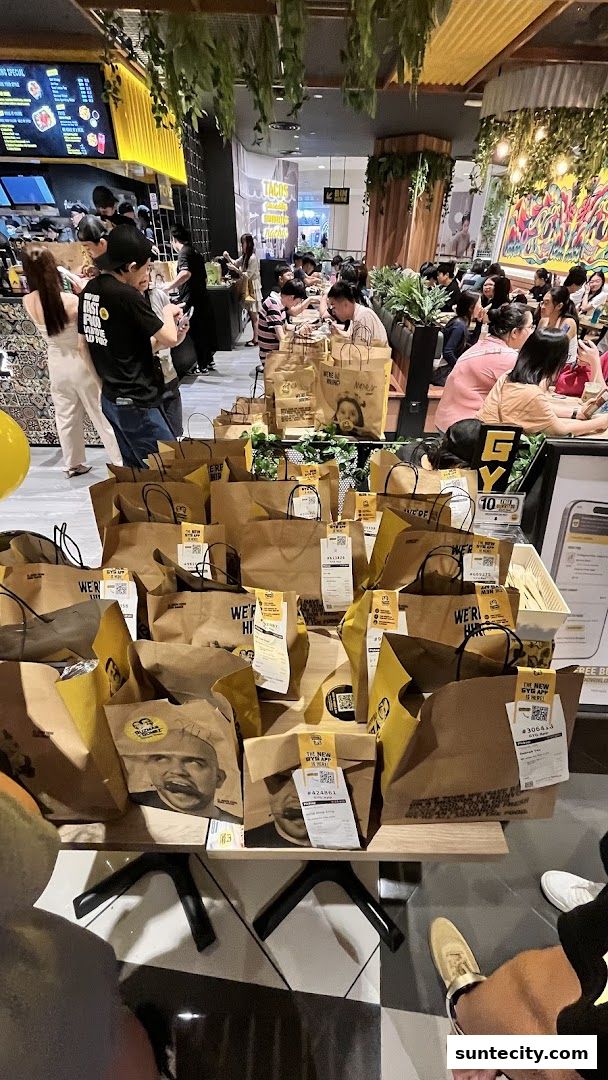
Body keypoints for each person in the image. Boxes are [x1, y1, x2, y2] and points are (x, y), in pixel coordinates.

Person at [77, 225, 186, 468]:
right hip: (137, 402)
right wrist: (168, 311)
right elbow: (167, 337)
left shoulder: (90, 291)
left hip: (112, 400)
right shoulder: (126, 295)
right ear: (130, 267)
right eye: (146, 267)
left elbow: (84, 346)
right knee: (170, 468)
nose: (147, 273)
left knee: (136, 470)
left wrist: (104, 387)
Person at [21, 244, 122, 476]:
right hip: (81, 362)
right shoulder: (70, 301)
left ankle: (73, 463)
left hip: (56, 364)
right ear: (51, 267)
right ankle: (119, 461)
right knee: (100, 413)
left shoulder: (28, 301)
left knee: (65, 416)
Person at [478, 326, 608, 436]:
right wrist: (600, 422)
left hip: (483, 438)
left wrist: (576, 413)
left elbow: (539, 408)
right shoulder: (531, 393)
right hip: (495, 453)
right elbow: (561, 431)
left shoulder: (508, 377)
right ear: (555, 361)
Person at [435, 303, 534, 430]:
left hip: (446, 420)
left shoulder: (485, 344)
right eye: (530, 327)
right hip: (464, 430)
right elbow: (529, 398)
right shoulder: (506, 357)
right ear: (515, 332)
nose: (532, 332)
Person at [129, 729, 240, 821]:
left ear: (219, 778)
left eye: (195, 763)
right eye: (161, 759)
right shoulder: (131, 806)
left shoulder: (236, 824)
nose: (177, 771)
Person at [164, 223, 216, 374]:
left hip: (191, 299)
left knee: (195, 332)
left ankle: (202, 366)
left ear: (173, 239)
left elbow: (185, 273)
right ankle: (208, 361)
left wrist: (168, 286)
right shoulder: (195, 252)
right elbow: (204, 278)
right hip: (202, 297)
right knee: (204, 330)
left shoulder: (184, 253)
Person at [433, 290, 482, 386]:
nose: (481, 308)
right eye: (479, 305)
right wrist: (460, 367)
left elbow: (471, 344)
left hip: (447, 368)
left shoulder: (461, 321)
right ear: (470, 308)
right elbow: (447, 352)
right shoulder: (459, 325)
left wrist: (479, 323)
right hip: (442, 372)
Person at [223, 233, 262, 347]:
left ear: (248, 243)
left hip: (252, 287)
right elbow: (235, 262)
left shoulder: (252, 258)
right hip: (248, 286)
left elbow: (247, 275)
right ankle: (256, 338)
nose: (242, 245)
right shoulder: (246, 256)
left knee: (254, 315)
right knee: (252, 313)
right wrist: (227, 257)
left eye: (243, 243)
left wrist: (235, 269)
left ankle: (256, 339)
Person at [257, 277, 307, 365]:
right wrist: (298, 331)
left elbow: (284, 326)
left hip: (276, 350)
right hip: (270, 356)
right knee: (307, 361)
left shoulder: (280, 303)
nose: (296, 305)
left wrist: (299, 327)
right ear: (291, 297)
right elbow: (282, 339)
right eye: (297, 302)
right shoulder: (273, 305)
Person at [538, 285, 579, 365]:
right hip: (546, 360)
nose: (542, 307)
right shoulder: (543, 321)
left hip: (564, 365)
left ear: (559, 306)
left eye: (546, 303)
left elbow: (558, 350)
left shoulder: (568, 323)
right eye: (542, 302)